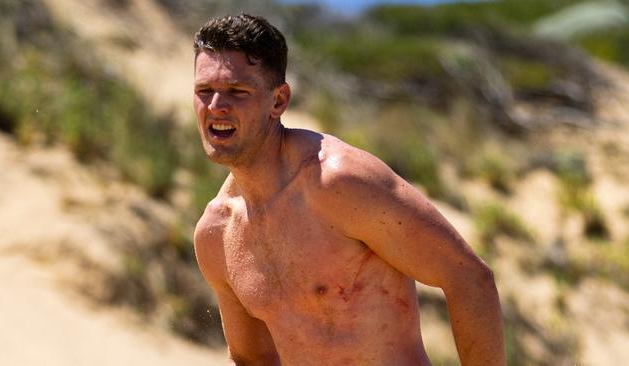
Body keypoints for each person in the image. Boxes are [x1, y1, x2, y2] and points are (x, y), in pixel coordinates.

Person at [192, 13, 505, 366]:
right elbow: (252, 359)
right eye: (205, 91)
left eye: (237, 91)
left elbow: (468, 276)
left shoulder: (338, 183)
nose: (216, 105)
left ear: (278, 101)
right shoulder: (215, 234)